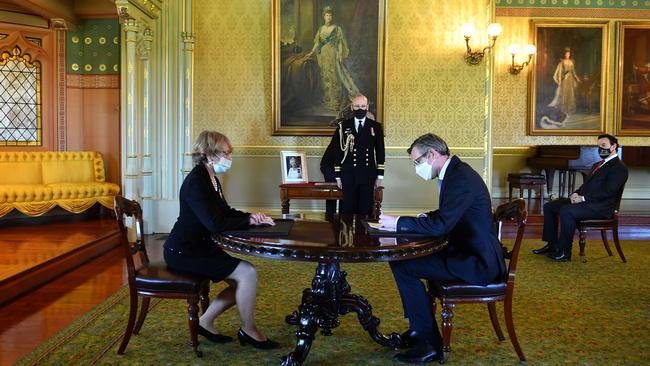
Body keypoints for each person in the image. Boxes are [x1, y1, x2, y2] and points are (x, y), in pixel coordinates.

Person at [378, 133, 506, 364]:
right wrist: (419, 218)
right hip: (467, 249)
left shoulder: (460, 178)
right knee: (406, 260)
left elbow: (441, 226)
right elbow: (449, 215)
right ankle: (419, 329)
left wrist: (398, 222)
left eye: (417, 162)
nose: (416, 168)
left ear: (432, 154)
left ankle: (428, 343)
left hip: (477, 261)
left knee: (404, 264)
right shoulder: (456, 172)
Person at [163, 130, 279, 349]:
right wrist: (248, 223)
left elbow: (224, 212)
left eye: (230, 152)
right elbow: (214, 224)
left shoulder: (211, 178)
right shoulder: (196, 182)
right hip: (184, 251)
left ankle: (205, 321)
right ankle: (249, 330)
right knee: (247, 273)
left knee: (243, 277)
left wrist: (250, 217)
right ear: (208, 154)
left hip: (199, 246)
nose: (230, 158)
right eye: (225, 153)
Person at [532, 134, 629, 262]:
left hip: (600, 208)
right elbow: (586, 185)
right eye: (598, 146)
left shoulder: (619, 168)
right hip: (588, 202)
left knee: (567, 210)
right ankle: (552, 245)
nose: (600, 149)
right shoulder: (598, 164)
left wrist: (582, 199)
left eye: (604, 146)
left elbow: (608, 192)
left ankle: (564, 252)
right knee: (550, 206)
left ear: (614, 146)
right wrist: (576, 193)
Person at [325, 94, 385, 216]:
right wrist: (338, 176)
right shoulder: (343, 127)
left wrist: (380, 176)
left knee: (365, 211)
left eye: (363, 106)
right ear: (352, 107)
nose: (360, 109)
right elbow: (338, 152)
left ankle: (363, 235)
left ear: (367, 107)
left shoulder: (375, 126)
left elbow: (380, 152)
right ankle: (346, 235)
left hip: (368, 174)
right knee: (347, 210)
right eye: (357, 106)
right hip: (348, 174)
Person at [305, 6, 360, 114]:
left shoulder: (337, 29)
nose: (329, 17)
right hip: (323, 56)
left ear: (332, 17)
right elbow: (317, 43)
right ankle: (327, 101)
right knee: (325, 77)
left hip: (333, 55)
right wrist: (311, 52)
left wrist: (339, 53)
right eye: (327, 15)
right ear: (324, 17)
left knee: (334, 77)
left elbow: (340, 42)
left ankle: (336, 102)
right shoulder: (321, 29)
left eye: (330, 15)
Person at [548, 47, 580, 115]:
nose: (568, 55)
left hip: (570, 80)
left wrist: (577, 78)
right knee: (565, 93)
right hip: (565, 80)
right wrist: (560, 80)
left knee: (570, 93)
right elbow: (560, 72)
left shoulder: (571, 62)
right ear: (564, 55)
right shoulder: (562, 62)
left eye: (569, 54)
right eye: (566, 54)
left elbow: (573, 72)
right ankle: (564, 109)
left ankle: (570, 109)